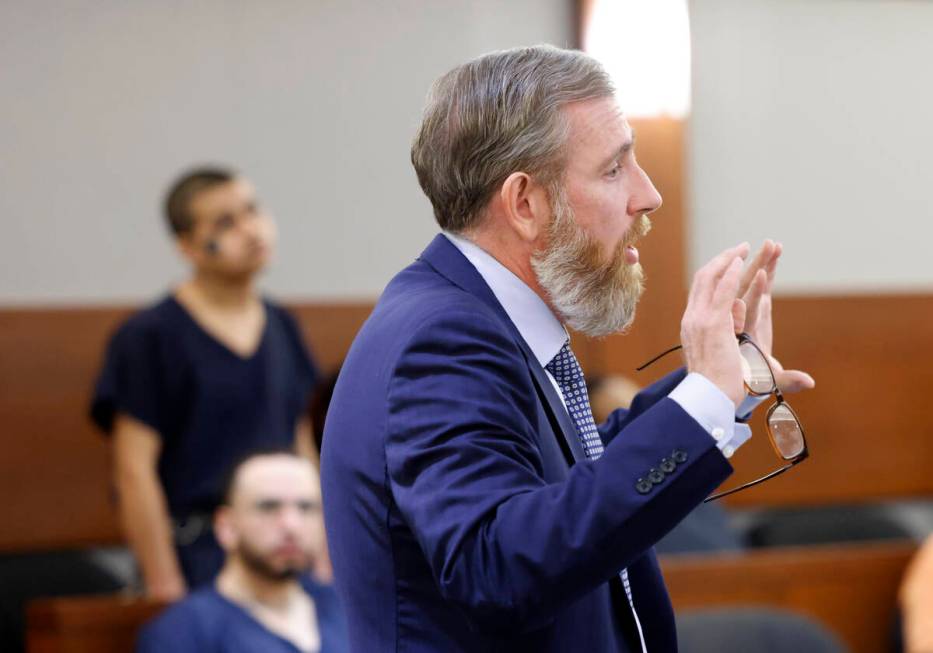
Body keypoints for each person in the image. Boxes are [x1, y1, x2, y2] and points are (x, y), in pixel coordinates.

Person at [321, 45, 814, 652]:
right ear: (525, 204)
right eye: (614, 170)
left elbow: (560, 483)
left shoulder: (476, 318)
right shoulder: (444, 338)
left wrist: (720, 386)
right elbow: (497, 565)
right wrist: (704, 402)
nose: (649, 195)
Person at [90, 167, 319, 600]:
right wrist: (164, 584)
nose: (250, 229)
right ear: (187, 246)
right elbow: (133, 471)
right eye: (225, 223)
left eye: (252, 210)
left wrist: (322, 550)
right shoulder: (149, 336)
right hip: (200, 554)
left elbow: (302, 444)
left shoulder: (282, 326)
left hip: (285, 549)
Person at [137, 450, 347, 653]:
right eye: (268, 507)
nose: (291, 525)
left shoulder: (348, 609)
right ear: (226, 526)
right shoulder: (182, 634)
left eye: (306, 507)